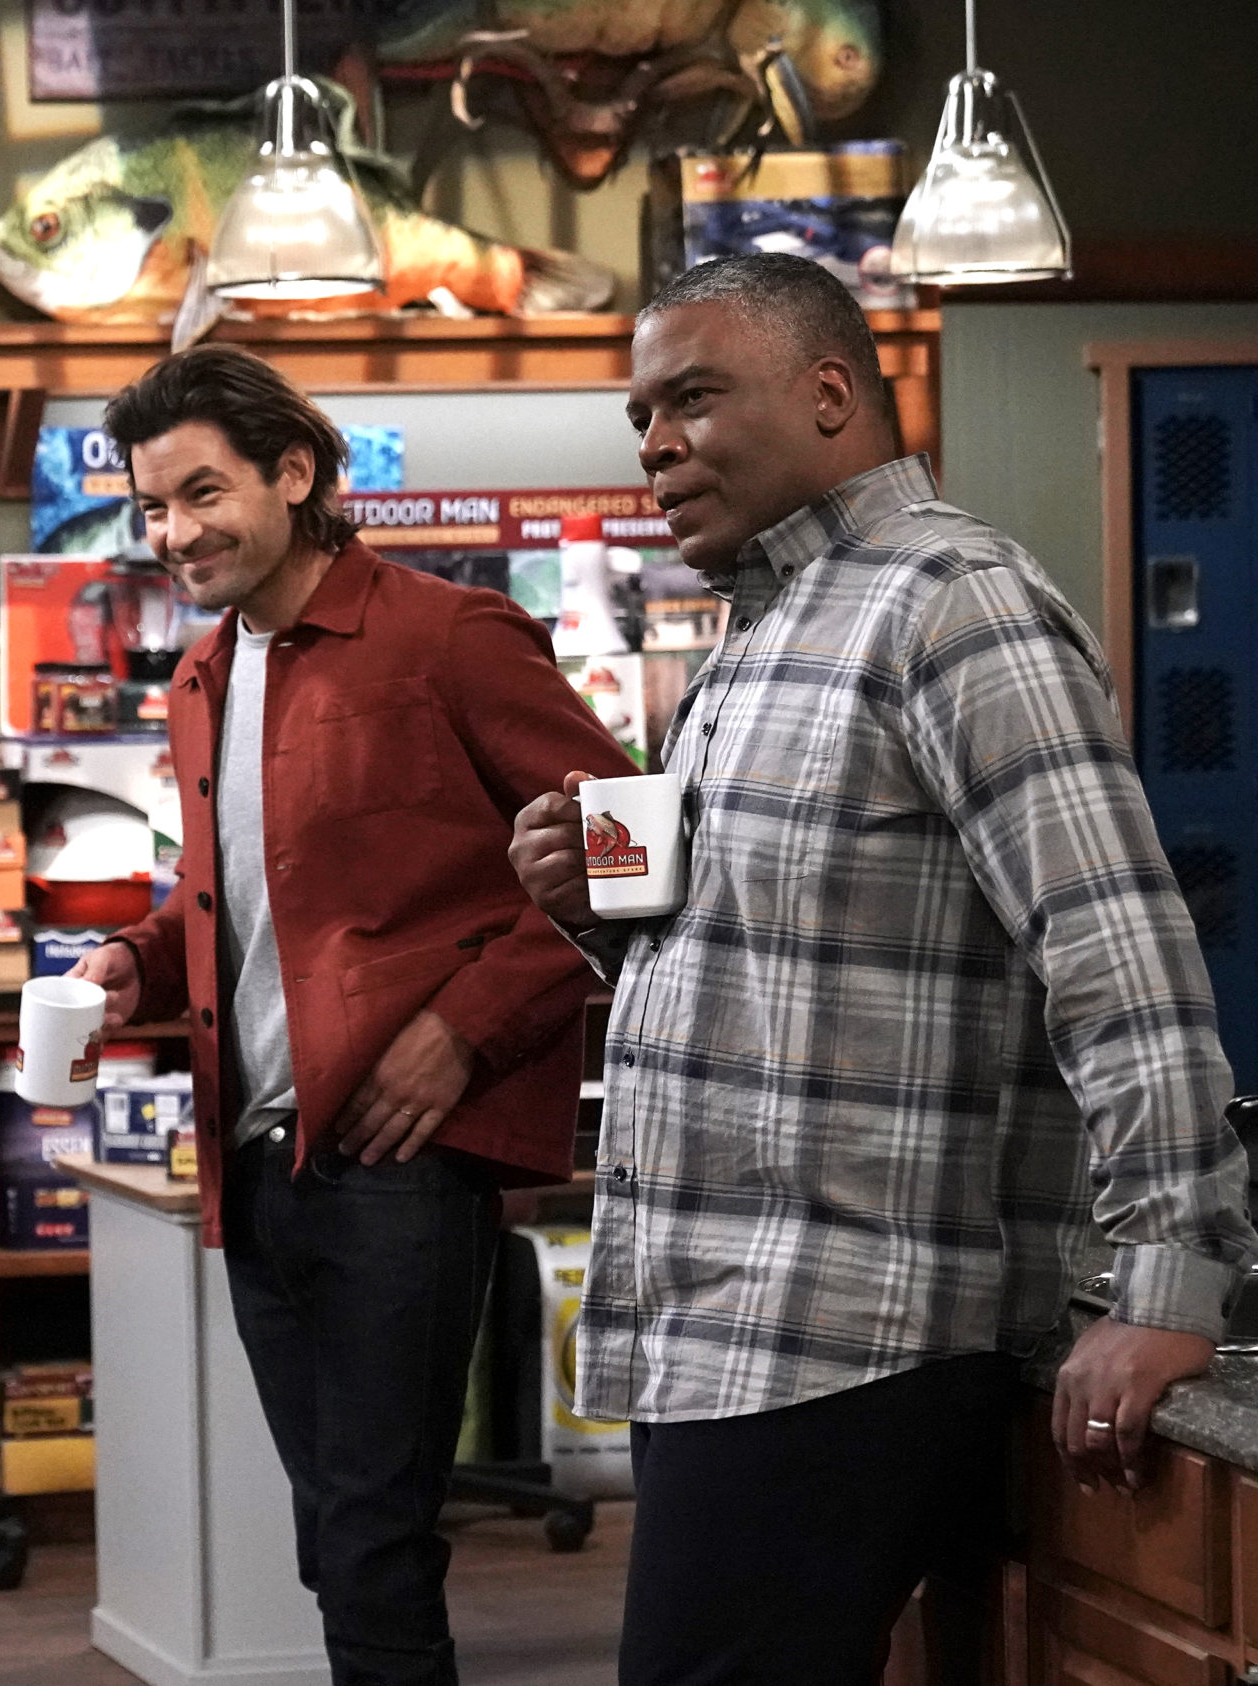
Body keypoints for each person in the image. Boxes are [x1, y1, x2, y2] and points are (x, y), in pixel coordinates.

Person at [506, 252, 1258, 1684]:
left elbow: (1121, 953)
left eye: (692, 399)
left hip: (841, 1339)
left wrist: (1170, 1282)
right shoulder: (761, 629)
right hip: (723, 1328)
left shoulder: (951, 603)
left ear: (830, 393)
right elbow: (779, 965)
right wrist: (591, 912)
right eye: (641, 416)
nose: (655, 444)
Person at [72, 344, 637, 1686]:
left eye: (201, 493)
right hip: (259, 1163)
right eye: (152, 507)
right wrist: (133, 963)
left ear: (295, 473)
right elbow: (237, 897)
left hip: (401, 1162)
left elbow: (623, 850)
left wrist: (462, 1028)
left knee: (374, 1539)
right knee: (335, 1535)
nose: (174, 533)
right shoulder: (205, 677)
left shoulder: (449, 637)